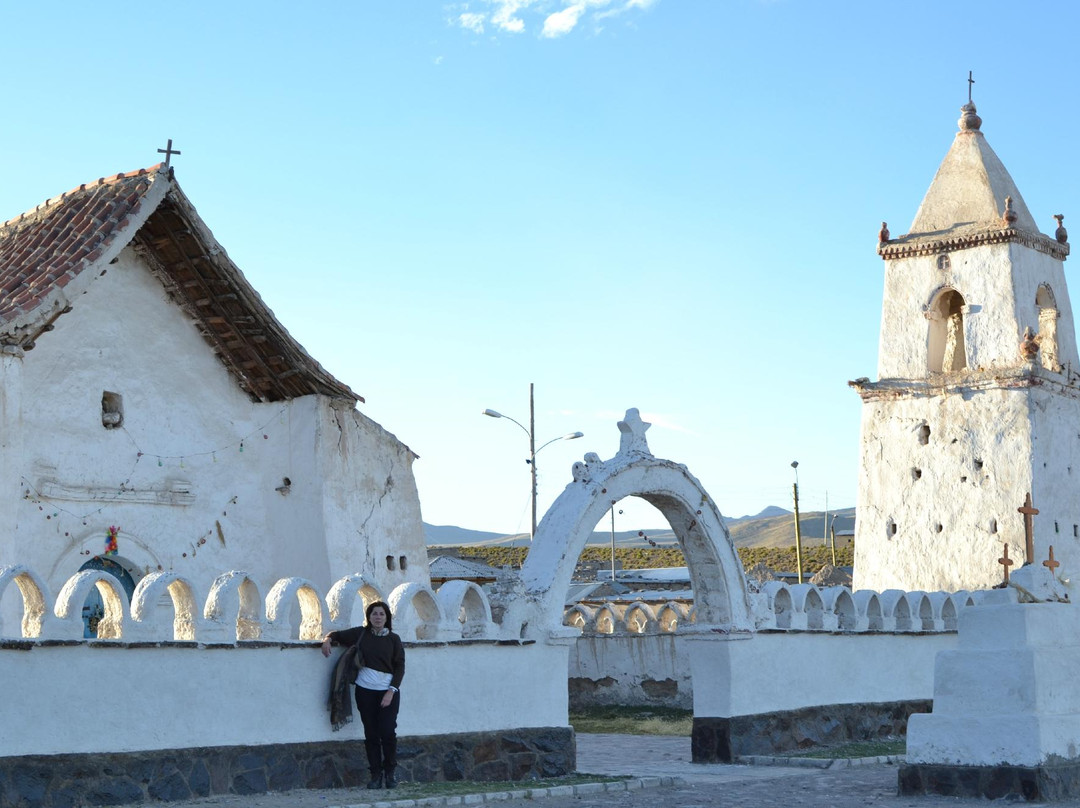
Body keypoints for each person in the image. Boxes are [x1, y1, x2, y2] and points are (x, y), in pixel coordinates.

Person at [322, 601, 405, 789]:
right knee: (371, 734)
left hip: (388, 692)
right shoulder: (361, 634)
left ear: (387, 618)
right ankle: (375, 775)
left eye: (381, 614)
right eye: (374, 614)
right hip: (365, 691)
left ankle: (390, 774)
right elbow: (337, 635)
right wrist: (327, 641)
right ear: (368, 617)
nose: (378, 617)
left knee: (388, 732)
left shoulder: (394, 639)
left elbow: (400, 666)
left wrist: (391, 691)